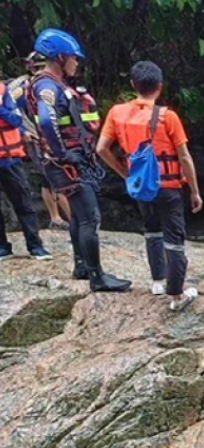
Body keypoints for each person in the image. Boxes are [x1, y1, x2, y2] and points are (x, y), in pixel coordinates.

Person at [27, 28, 131, 292]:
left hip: (71, 160)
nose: (76, 62)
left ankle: (82, 265)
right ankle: (97, 277)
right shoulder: (47, 86)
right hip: (66, 163)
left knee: (78, 216)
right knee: (89, 218)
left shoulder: (53, 83)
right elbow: (48, 122)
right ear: (60, 57)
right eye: (73, 58)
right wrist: (63, 154)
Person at [96, 61, 203, 311]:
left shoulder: (117, 113)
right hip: (167, 186)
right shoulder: (168, 117)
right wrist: (195, 191)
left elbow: (101, 149)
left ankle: (158, 280)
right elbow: (184, 157)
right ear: (159, 87)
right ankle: (176, 295)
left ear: (133, 84)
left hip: (141, 186)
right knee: (174, 237)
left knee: (152, 229)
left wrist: (124, 173)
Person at [7, 52, 71, 231]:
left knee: (47, 176)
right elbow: (9, 110)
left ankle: (57, 217)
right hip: (34, 135)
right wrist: (22, 131)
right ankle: (67, 218)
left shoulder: (39, 84)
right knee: (53, 174)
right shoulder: (23, 86)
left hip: (41, 133)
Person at [0, 77, 52, 261]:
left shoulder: (3, 91)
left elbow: (15, 119)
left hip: (9, 159)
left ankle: (35, 246)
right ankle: (2, 248)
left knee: (23, 203)